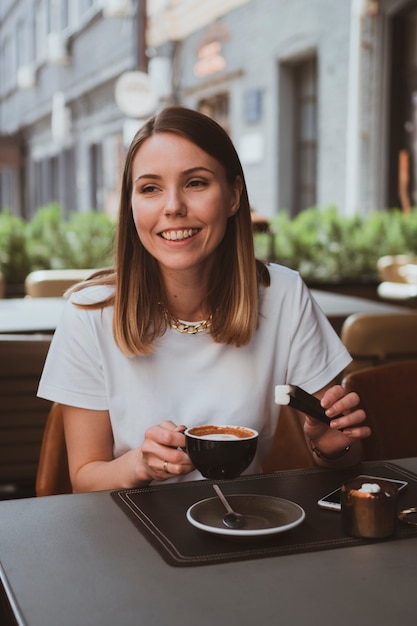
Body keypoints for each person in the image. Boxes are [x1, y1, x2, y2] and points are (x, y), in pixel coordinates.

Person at [37, 105, 370, 493]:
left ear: (233, 195)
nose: (173, 206)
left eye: (195, 183)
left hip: (247, 525)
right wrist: (139, 464)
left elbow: (345, 455)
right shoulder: (89, 314)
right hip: (132, 532)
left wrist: (333, 446)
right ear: (131, 206)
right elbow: (84, 479)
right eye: (150, 188)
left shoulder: (284, 295)